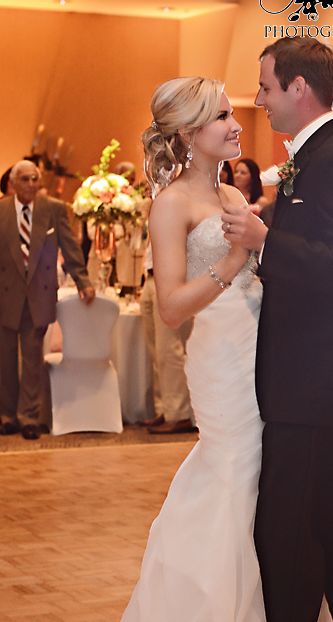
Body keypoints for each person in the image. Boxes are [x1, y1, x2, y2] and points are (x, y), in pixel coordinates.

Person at [222, 36, 333, 622]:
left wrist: (267, 242)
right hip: (311, 382)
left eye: (266, 87)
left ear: (299, 88)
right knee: (323, 521)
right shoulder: (313, 158)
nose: (260, 100)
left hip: (321, 384)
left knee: (294, 530)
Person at [120, 77, 265, 621]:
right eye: (223, 117)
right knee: (232, 468)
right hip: (222, 357)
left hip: (260, 344)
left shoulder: (232, 195)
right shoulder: (171, 203)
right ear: (187, 132)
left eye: (233, 113)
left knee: (262, 476)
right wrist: (229, 266)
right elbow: (172, 308)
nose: (237, 125)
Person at [0, 160, 95, 440]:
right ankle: (7, 415)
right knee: (4, 359)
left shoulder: (53, 209)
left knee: (32, 358)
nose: (31, 184)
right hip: (3, 296)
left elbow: (69, 245)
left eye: (34, 180)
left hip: (38, 294)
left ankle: (28, 416)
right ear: (13, 183)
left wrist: (83, 280)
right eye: (25, 179)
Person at [138, 238, 196, 434]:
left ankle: (179, 414)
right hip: (150, 276)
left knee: (169, 350)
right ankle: (165, 408)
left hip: (170, 279)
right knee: (156, 351)